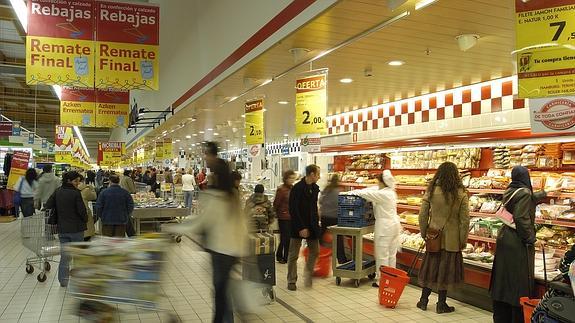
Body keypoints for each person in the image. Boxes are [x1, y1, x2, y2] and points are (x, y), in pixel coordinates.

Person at [165, 156, 247, 323]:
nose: (207, 176)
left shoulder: (217, 198)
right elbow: (242, 225)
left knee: (220, 294)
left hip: (221, 253)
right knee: (223, 292)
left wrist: (171, 228)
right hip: (232, 253)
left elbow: (199, 222)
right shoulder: (232, 195)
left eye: (211, 172)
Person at [490, 166, 557, 323]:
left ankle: (501, 317)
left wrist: (547, 192)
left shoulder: (511, 189)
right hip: (517, 243)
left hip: (505, 239)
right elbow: (521, 218)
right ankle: (518, 317)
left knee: (503, 281)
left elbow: (525, 199)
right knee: (518, 283)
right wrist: (533, 239)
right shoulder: (525, 192)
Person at [417, 161, 470, 314]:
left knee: (430, 269)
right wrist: (462, 240)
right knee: (445, 272)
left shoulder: (432, 191)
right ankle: (441, 304)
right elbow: (464, 221)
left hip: (434, 237)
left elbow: (422, 215)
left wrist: (424, 232)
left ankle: (423, 301)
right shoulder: (461, 194)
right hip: (452, 240)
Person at [341, 170, 401, 287]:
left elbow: (365, 194)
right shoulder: (390, 192)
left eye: (378, 182)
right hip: (393, 226)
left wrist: (345, 194)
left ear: (383, 183)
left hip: (385, 227)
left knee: (382, 255)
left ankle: (382, 281)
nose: (377, 184)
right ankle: (391, 279)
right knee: (391, 255)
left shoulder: (382, 194)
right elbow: (372, 189)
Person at [45, 171, 87, 287]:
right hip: (77, 229)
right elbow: (82, 211)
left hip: (63, 229)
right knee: (78, 255)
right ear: (69, 181)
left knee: (65, 256)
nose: (78, 183)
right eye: (76, 181)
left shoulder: (57, 192)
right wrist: (85, 219)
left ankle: (63, 281)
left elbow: (48, 205)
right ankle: (79, 280)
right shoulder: (76, 193)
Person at [286, 164, 321, 291]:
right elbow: (293, 209)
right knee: (293, 254)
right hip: (297, 225)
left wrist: (317, 220)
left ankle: (308, 273)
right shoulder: (297, 188)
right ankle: (291, 280)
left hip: (312, 225)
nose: (319, 176)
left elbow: (313, 207)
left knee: (315, 250)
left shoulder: (315, 188)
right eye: (318, 174)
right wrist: (301, 227)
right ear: (311, 174)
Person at [319, 174, 349, 265]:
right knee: (339, 238)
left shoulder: (326, 189)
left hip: (324, 216)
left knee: (321, 236)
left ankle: (319, 254)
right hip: (334, 217)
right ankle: (341, 259)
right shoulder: (338, 191)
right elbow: (340, 204)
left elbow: (320, 201)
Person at [274, 170, 296, 264]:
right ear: (286, 179)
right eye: (290, 178)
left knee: (288, 237)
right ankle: (283, 256)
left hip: (291, 216)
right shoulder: (281, 190)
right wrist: (277, 213)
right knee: (285, 237)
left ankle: (282, 256)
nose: (292, 180)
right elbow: (276, 203)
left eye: (293, 178)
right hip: (283, 217)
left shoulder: (293, 189)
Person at [78, 176, 97, 241]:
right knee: (86, 232)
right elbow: (94, 197)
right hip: (84, 212)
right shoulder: (86, 190)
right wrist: (92, 189)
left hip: (73, 215)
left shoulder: (71, 189)